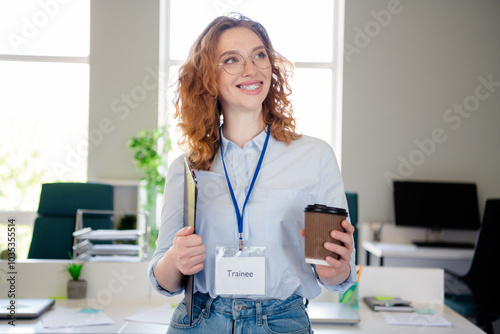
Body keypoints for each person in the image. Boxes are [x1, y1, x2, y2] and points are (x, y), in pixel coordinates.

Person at [149, 13, 356, 333]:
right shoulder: (187, 166)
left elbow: (336, 277)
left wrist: (336, 269)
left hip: (282, 322)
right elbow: (164, 279)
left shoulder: (315, 156)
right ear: (208, 78)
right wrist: (176, 260)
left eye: (259, 55)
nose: (251, 68)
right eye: (231, 59)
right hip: (201, 320)